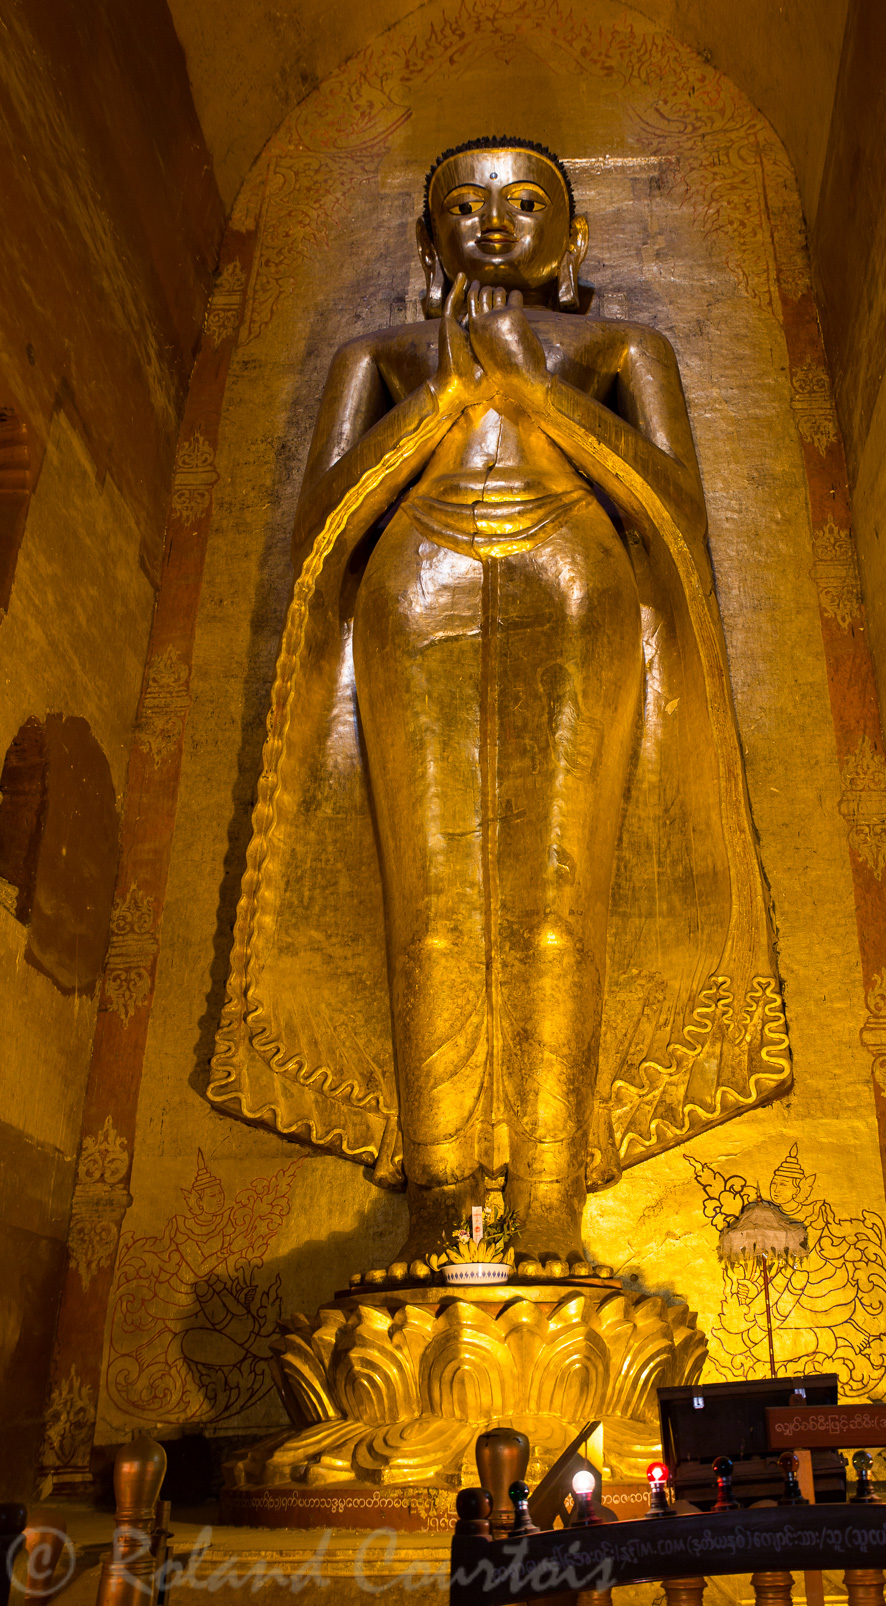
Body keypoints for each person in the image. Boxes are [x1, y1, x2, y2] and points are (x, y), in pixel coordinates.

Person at [209, 137, 788, 1274]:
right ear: (429, 243)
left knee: (562, 907)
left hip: (575, 582)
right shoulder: (376, 354)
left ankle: (553, 1195)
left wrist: (530, 393)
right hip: (413, 588)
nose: (491, 224)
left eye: (525, 204)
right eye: (463, 209)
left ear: (572, 240)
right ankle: (438, 1199)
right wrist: (437, 401)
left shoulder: (621, 346)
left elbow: (677, 505)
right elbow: (317, 519)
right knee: (426, 908)